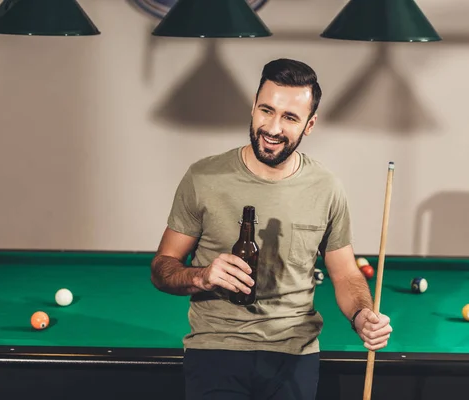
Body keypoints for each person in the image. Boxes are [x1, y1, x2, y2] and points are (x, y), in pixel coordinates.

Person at [150, 58, 393, 400]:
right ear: (253, 107)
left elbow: (345, 275)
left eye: (290, 117)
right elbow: (163, 268)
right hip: (217, 346)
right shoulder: (202, 177)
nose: (273, 127)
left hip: (294, 351)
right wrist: (201, 276)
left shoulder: (326, 187)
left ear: (310, 125)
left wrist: (362, 315)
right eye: (267, 110)